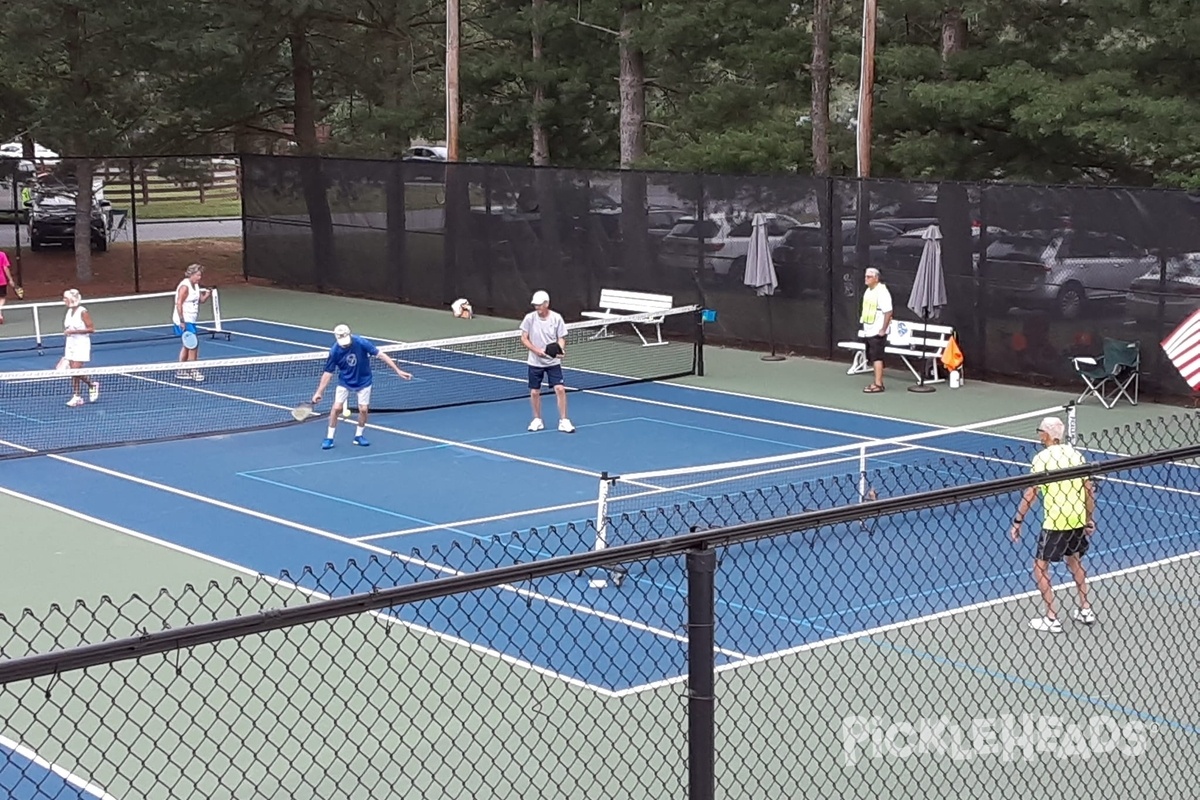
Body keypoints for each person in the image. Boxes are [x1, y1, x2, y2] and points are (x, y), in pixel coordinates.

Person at [1009, 416, 1097, 633]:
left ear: (1046, 434)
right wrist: (1087, 518)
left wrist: (1018, 520)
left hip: (1056, 521)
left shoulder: (1041, 459)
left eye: (1040, 431)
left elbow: (1031, 492)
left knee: (1040, 567)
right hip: (1076, 518)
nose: (1039, 434)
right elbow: (1088, 490)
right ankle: (1085, 608)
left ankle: (1051, 617)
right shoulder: (1075, 454)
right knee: (1074, 560)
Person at [311, 323, 411, 450]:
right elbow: (328, 373)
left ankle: (358, 436)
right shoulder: (335, 351)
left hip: (364, 381)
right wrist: (319, 392)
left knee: (363, 409)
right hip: (345, 382)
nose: (345, 344)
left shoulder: (361, 342)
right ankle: (329, 438)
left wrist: (398, 370)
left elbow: (381, 355)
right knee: (336, 408)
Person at [520, 290, 575, 433]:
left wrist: (559, 350)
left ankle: (564, 420)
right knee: (534, 392)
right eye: (535, 305)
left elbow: (561, 338)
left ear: (546, 304)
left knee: (560, 389)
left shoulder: (556, 318)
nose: (537, 308)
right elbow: (524, 338)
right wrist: (536, 350)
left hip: (553, 363)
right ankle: (537, 419)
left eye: (539, 305)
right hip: (535, 362)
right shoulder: (529, 318)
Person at [172, 263, 211, 382]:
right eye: (198, 275)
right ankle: (193, 370)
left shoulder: (196, 285)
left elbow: (201, 300)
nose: (200, 277)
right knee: (193, 345)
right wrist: (182, 321)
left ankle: (181, 369)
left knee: (187, 344)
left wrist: (207, 294)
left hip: (192, 319)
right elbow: (178, 303)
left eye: (200, 275)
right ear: (192, 274)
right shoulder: (185, 286)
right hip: (183, 320)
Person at [61, 289, 99, 407]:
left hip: (81, 344)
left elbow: (91, 329)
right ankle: (81, 393)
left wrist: (73, 331)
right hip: (70, 343)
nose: (63, 300)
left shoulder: (83, 312)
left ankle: (86, 389)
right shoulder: (69, 312)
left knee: (75, 370)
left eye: (65, 298)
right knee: (74, 372)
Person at [859, 267, 893, 393]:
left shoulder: (882, 292)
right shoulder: (869, 291)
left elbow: (888, 312)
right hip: (869, 330)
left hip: (877, 331)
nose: (866, 279)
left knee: (877, 357)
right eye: (865, 276)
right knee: (873, 357)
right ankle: (876, 382)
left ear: (876, 278)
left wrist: (883, 329)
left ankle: (878, 384)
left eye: (869, 277)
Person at [0, 250, 20, 324]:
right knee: (2, 298)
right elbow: (5, 268)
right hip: (1, 281)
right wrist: (10, 280)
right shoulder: (1, 254)